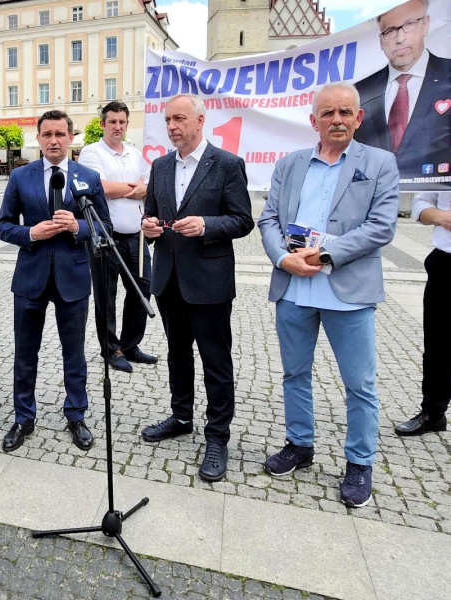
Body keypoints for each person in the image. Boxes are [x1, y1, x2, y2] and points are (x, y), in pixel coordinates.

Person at [258, 81, 399, 508]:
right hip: (294, 288)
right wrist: (284, 259)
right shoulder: (289, 163)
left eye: (345, 112)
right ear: (314, 120)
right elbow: (267, 219)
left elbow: (381, 226)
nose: (336, 120)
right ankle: (299, 445)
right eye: (328, 113)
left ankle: (359, 462)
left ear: (358, 118)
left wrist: (325, 255)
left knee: (359, 384)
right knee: (294, 374)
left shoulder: (380, 162)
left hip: (348, 292)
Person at [139, 93, 253, 483]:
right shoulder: (159, 166)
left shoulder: (226, 165)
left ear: (200, 121)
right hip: (169, 279)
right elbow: (151, 215)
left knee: (216, 362)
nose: (172, 126)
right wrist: (149, 227)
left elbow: (242, 220)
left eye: (180, 119)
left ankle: (218, 435)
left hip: (209, 281)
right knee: (177, 354)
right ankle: (181, 415)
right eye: (168, 120)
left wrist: (206, 225)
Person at [0, 110, 111, 452]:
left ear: (71, 137)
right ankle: (23, 417)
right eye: (47, 134)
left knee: (74, 352)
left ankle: (76, 414)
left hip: (73, 277)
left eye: (60, 134)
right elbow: (2, 225)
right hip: (30, 276)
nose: (53, 141)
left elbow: (104, 225)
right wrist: (30, 231)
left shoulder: (88, 176)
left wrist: (78, 228)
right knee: (25, 352)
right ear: (38, 137)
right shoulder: (21, 176)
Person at [79, 101, 157, 373]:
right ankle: (111, 349)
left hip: (136, 235)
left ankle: (131, 344)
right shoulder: (91, 153)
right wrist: (134, 189)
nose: (117, 127)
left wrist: (137, 189)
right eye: (112, 121)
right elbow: (98, 188)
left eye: (122, 122)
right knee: (106, 295)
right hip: (105, 237)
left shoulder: (135, 155)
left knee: (141, 289)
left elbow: (149, 186)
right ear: (102, 124)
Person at [354, 0, 451, 187]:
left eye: (409, 24)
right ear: (381, 41)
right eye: (389, 31)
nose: (400, 39)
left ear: (426, 25)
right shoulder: (359, 92)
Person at [395, 191, 451, 436]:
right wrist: (441, 217)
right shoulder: (442, 157)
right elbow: (420, 202)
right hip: (446, 262)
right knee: (438, 345)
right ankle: (433, 413)